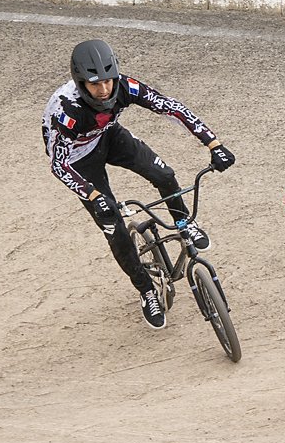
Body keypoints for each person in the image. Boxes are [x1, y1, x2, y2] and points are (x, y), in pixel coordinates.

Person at [43, 38, 235, 329]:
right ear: (80, 83)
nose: (105, 90)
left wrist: (213, 143)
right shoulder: (65, 111)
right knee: (114, 226)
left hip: (109, 137)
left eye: (108, 81)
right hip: (79, 161)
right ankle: (146, 290)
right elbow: (59, 164)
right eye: (95, 85)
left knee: (165, 175)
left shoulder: (125, 86)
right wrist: (94, 195)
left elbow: (171, 108)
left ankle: (185, 224)